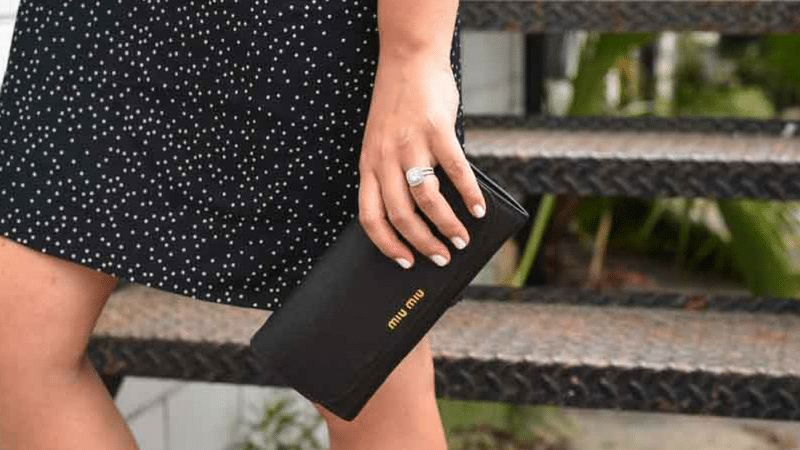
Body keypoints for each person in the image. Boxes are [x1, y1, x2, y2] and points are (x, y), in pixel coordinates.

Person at [0, 0, 485, 448]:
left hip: (310, 28)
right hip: (98, 22)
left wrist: (416, 53)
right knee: (16, 352)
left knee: (367, 385)